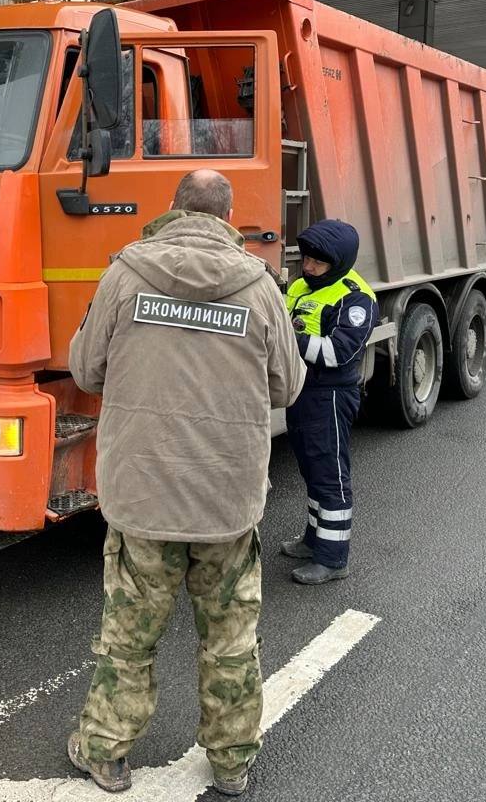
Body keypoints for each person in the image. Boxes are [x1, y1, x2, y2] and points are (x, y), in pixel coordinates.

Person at [66, 169, 305, 796]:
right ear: (228, 217)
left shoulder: (126, 275)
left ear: (173, 210)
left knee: (129, 636)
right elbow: (288, 387)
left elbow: (87, 370)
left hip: (142, 496)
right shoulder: (260, 288)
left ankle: (107, 752)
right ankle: (231, 764)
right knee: (230, 641)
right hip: (226, 500)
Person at [281, 220, 378, 585]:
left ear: (337, 263)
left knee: (330, 475)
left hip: (330, 395)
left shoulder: (355, 298)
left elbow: (338, 352)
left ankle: (333, 558)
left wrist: (285, 340)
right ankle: (313, 540)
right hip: (301, 391)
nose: (308, 267)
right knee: (310, 468)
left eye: (317, 263)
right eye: (305, 259)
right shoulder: (303, 285)